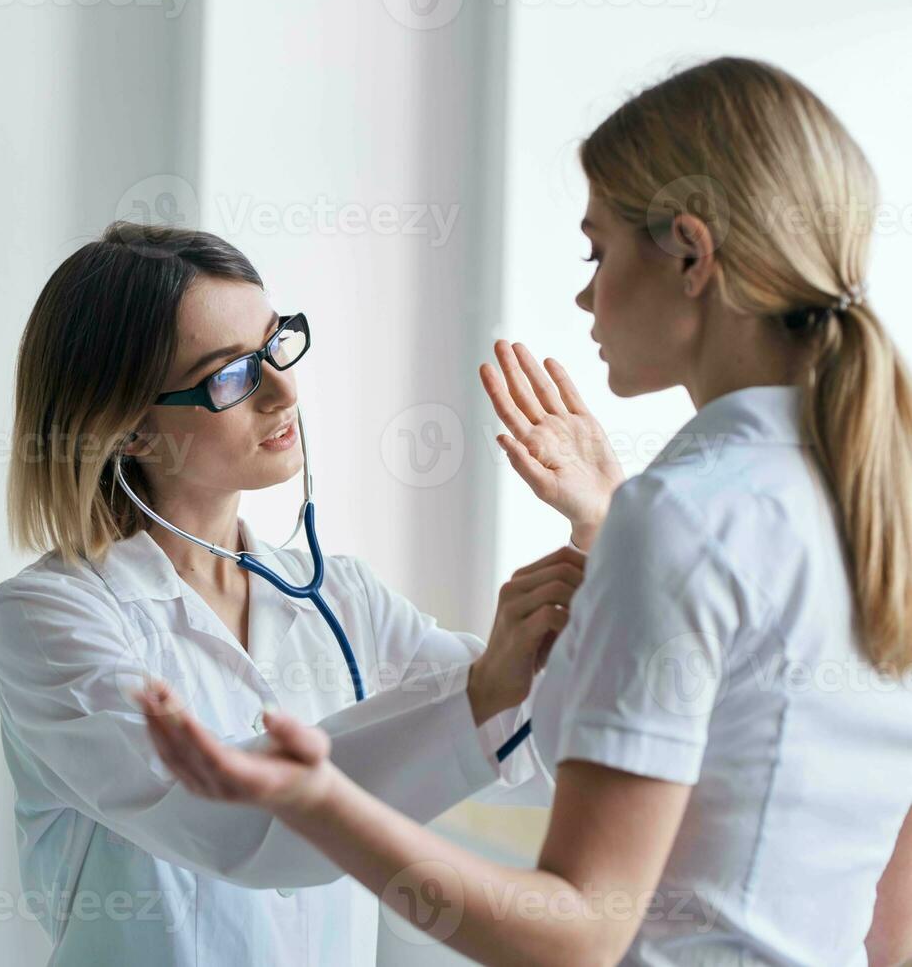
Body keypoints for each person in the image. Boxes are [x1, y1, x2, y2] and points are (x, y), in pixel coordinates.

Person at [134, 56, 912, 966]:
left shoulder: (680, 517)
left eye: (598, 250)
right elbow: (889, 932)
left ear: (692, 256)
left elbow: (577, 930)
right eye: (231, 372)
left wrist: (318, 801)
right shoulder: (876, 498)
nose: (585, 293)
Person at [0, 222, 573, 965]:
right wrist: (481, 692)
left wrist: (604, 531)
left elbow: (544, 752)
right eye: (231, 374)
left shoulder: (341, 595)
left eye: (275, 345)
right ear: (130, 429)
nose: (283, 390)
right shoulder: (49, 618)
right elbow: (233, 828)